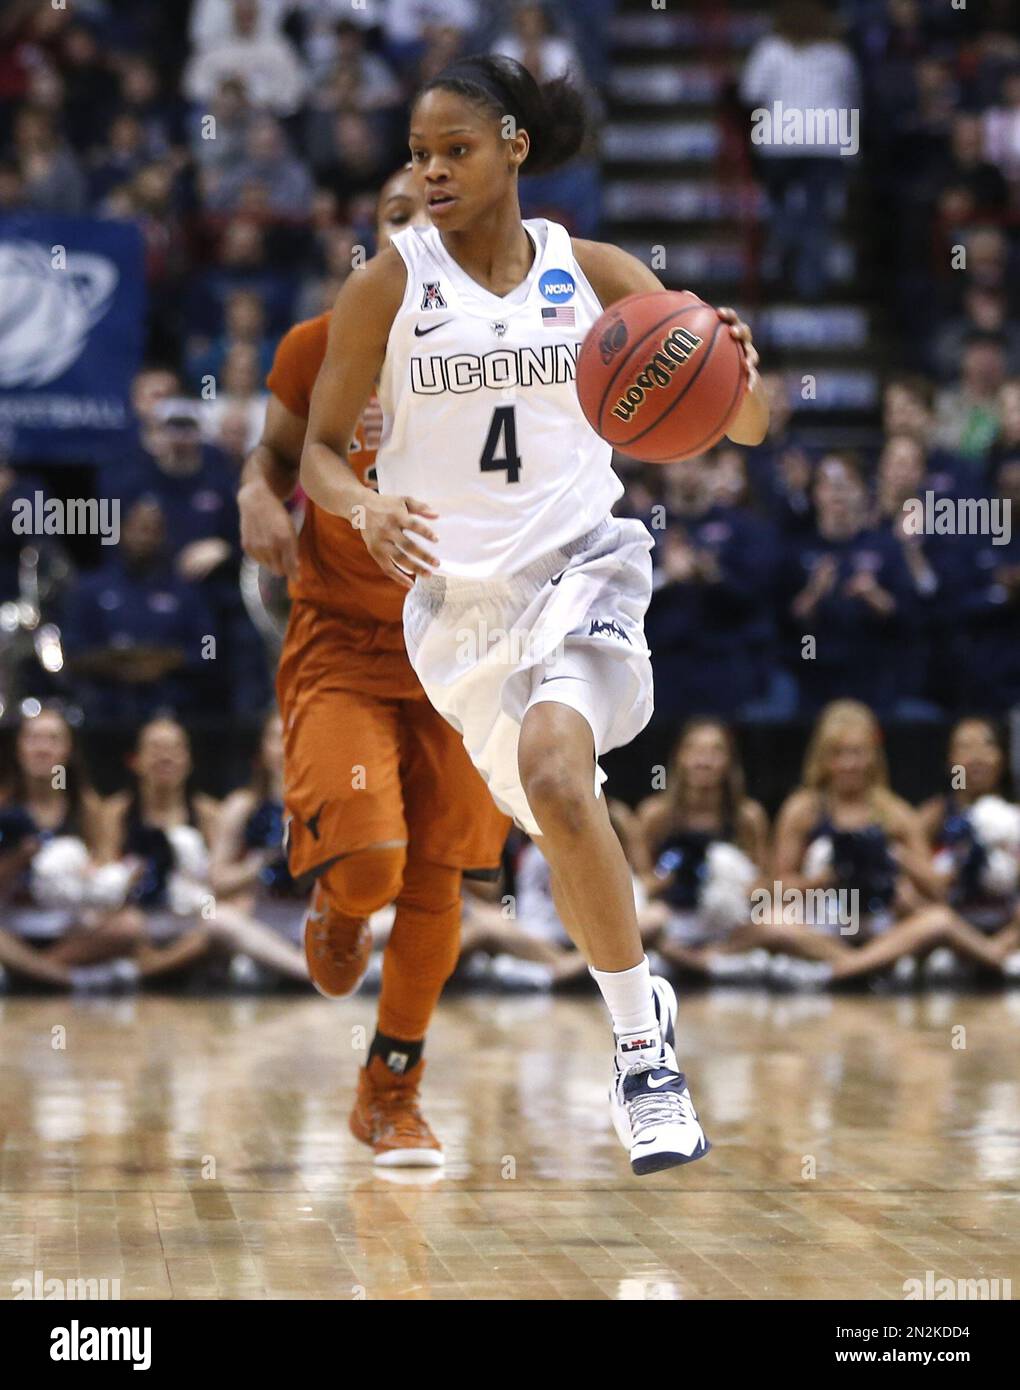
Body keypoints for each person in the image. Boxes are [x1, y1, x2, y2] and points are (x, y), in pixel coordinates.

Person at [298, 54, 770, 1175]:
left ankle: (642, 1055)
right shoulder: (388, 284)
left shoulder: (588, 265)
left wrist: (738, 368)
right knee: (556, 811)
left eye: (454, 149)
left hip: (586, 565)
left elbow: (741, 424)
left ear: (513, 145)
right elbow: (318, 450)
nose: (433, 169)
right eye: (418, 154)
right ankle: (636, 984)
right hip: (461, 613)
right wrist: (363, 509)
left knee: (561, 770)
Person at [239, 164, 510, 1168]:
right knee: (373, 863)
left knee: (441, 880)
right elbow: (274, 454)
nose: (415, 235)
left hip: (465, 642)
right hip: (346, 645)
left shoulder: (508, 351)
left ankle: (389, 1093)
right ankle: (338, 903)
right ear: (377, 234)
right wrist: (254, 494)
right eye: (398, 217)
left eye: (436, 219)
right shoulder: (320, 344)